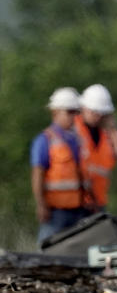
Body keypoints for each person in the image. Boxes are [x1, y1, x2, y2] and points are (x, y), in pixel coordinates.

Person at [30, 87, 88, 244]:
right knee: (48, 249)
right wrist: (41, 205)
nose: (74, 117)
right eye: (69, 112)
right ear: (55, 112)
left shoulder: (78, 140)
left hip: (79, 209)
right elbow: (38, 174)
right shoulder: (45, 140)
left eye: (76, 112)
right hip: (55, 212)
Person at [75, 84, 117, 212]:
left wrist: (114, 127)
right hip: (77, 203)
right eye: (94, 112)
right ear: (83, 108)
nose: (97, 117)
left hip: (98, 201)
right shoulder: (74, 129)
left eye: (101, 113)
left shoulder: (106, 134)